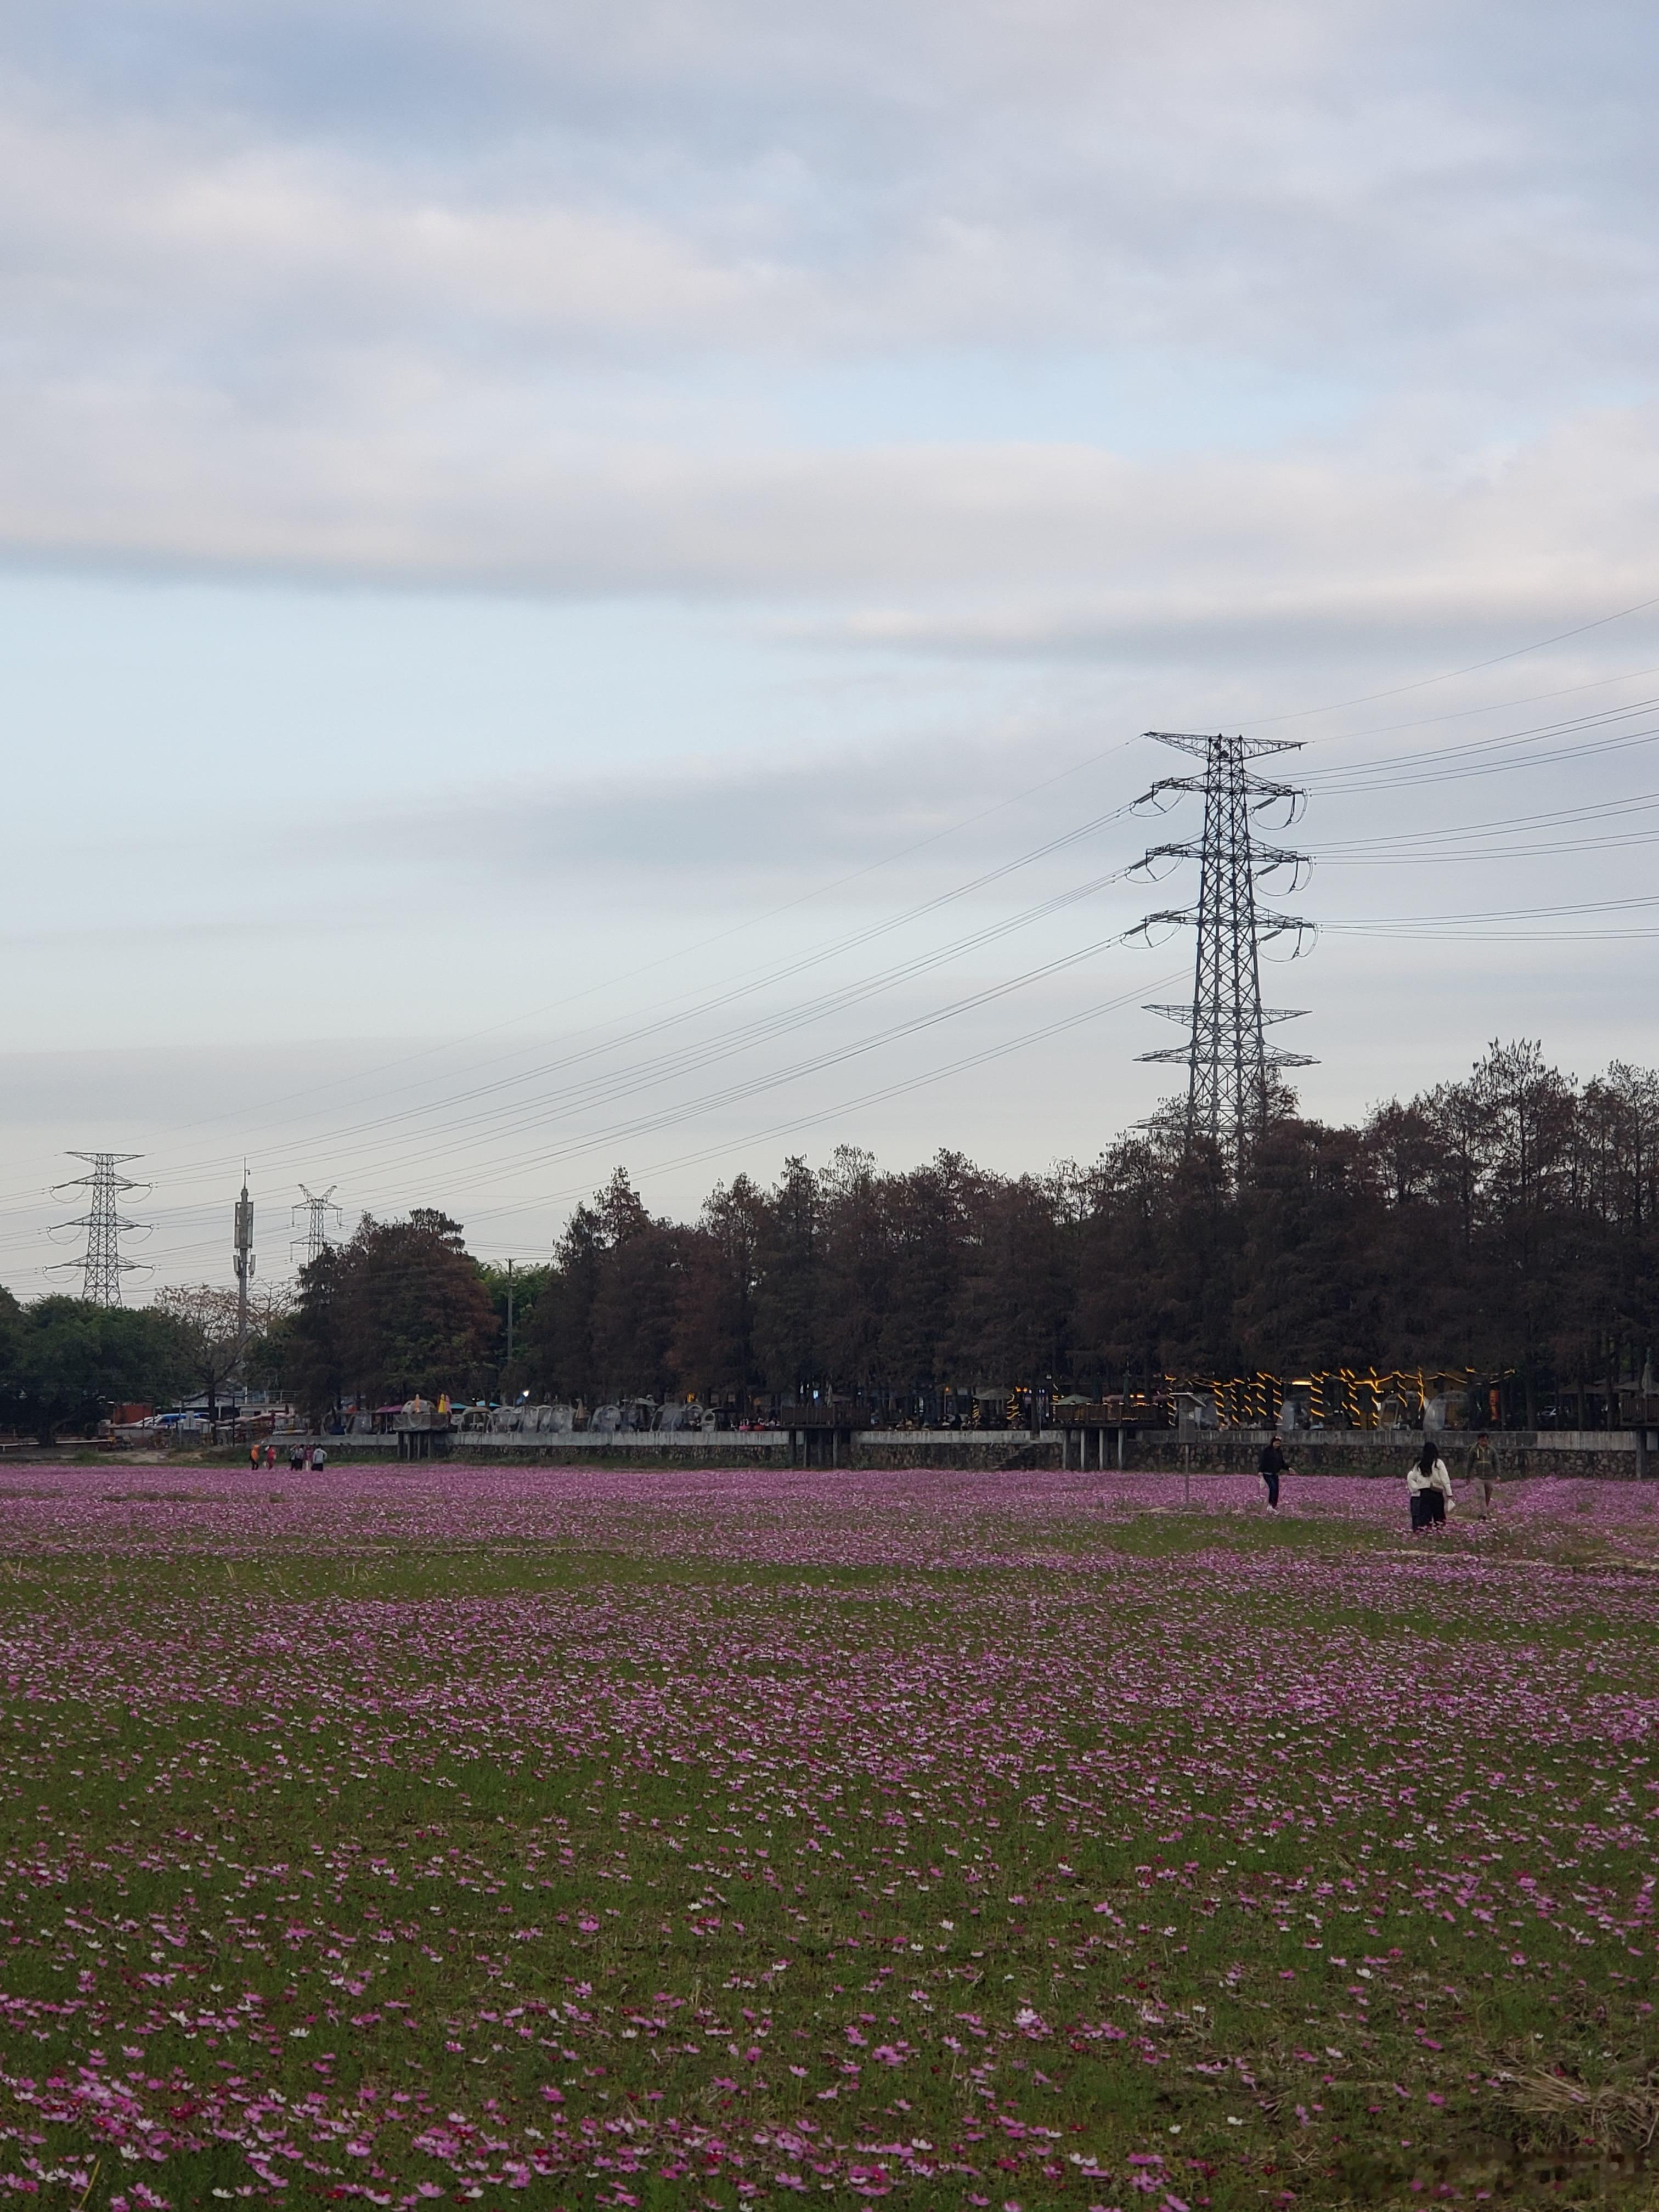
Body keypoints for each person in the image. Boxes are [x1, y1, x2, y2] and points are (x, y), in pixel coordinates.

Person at [1407, 1437, 1454, 1532]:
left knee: (1425, 1515)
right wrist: (1449, 1494)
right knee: (1438, 1516)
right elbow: (1445, 1479)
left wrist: (1415, 1489)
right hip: (1436, 1492)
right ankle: (1439, 1531)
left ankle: (1424, 1531)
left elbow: (1412, 1477)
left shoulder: (1420, 1464)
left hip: (1424, 1493)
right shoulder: (1438, 1463)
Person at [1257, 1434, 1289, 1513]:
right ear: (1272, 1443)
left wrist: (1289, 1468)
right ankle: (1270, 1504)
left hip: (1275, 1474)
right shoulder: (1267, 1451)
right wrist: (1260, 1471)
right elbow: (1263, 1461)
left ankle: (1274, 1506)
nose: (1277, 1445)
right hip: (1267, 1473)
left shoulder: (1279, 1452)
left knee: (1276, 1490)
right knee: (1273, 1488)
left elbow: (1282, 1463)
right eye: (1276, 1443)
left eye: (1279, 1444)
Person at [1467, 1431, 1497, 1515]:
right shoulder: (1474, 1450)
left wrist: (1497, 1474)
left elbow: (1496, 1462)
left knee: (1488, 1495)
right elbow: (1470, 1463)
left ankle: (1484, 1510)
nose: (1484, 1442)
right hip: (1479, 1477)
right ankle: (1484, 1514)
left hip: (1489, 1477)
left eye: (1486, 1441)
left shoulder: (1491, 1450)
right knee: (1482, 1496)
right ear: (1479, 1440)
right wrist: (1468, 1476)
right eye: (1482, 1440)